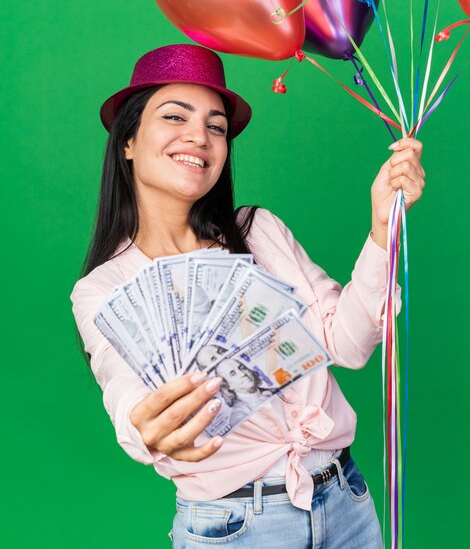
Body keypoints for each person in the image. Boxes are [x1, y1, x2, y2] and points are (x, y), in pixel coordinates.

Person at [71, 44, 425, 549]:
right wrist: (142, 426)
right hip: (237, 529)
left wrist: (381, 230)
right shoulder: (103, 289)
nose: (200, 136)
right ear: (127, 140)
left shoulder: (258, 232)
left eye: (216, 126)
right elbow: (123, 387)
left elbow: (347, 345)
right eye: (176, 116)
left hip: (345, 500)